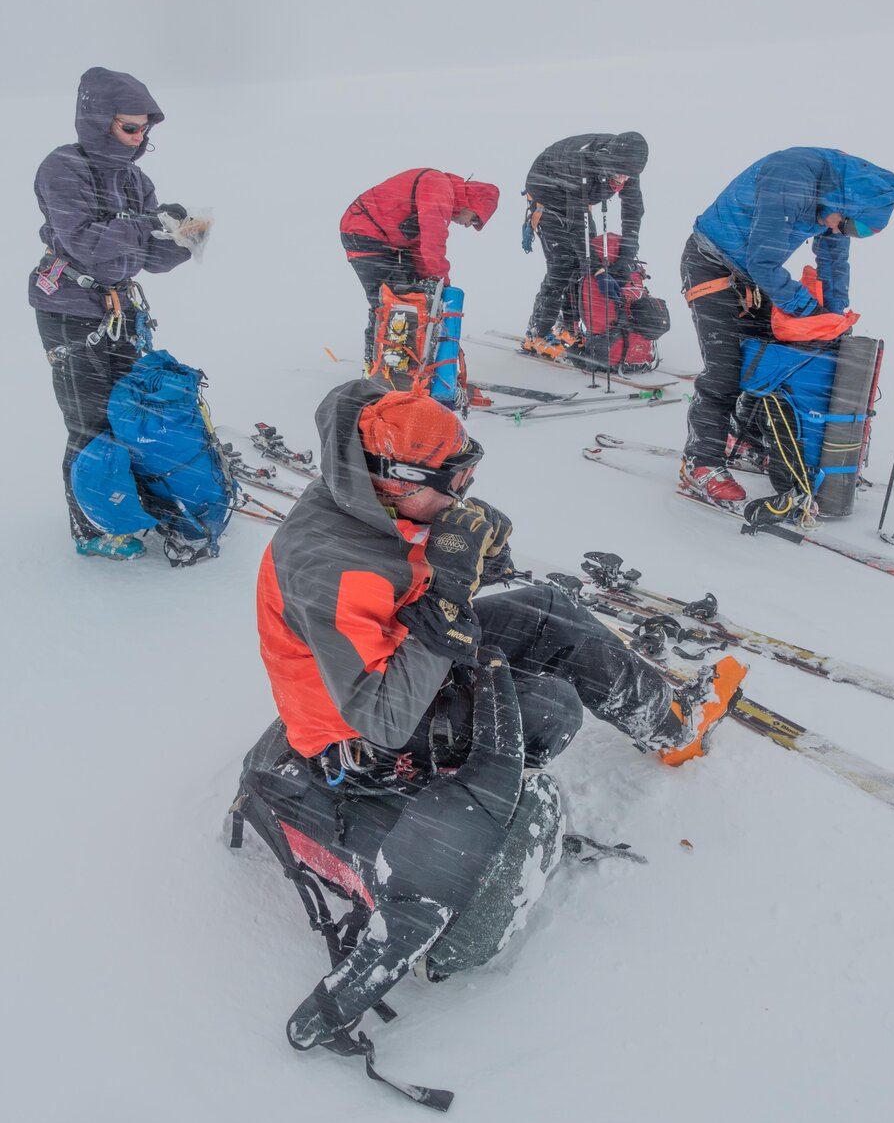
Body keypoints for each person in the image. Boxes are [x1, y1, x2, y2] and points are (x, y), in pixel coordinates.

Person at [239, 381, 745, 1051]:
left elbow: (409, 573)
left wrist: (465, 554)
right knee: (548, 710)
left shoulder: (365, 495)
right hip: (365, 733)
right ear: (396, 481)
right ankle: (466, 814)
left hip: (401, 658)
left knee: (546, 611)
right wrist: (449, 595)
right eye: (452, 484)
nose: (462, 495)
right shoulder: (333, 568)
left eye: (468, 476)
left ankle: (672, 723)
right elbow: (384, 718)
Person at [30, 66, 208, 559]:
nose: (138, 137)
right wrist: (146, 225)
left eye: (144, 130)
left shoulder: (134, 179)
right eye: (130, 127)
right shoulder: (63, 168)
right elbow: (84, 243)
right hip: (68, 309)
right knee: (88, 423)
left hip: (120, 309)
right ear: (98, 119)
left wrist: (181, 238)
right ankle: (93, 529)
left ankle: (128, 507)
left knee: (128, 415)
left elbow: (149, 259)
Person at [679, 147, 894, 505]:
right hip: (712, 263)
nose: (839, 230)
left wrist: (832, 319)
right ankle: (701, 462)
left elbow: (833, 261)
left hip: (753, 276)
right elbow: (763, 260)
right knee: (725, 370)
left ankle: (747, 442)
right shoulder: (791, 178)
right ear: (847, 205)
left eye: (854, 231)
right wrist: (806, 308)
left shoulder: (836, 199)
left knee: (769, 364)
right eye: (848, 225)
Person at [340, 168, 499, 366]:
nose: (469, 225)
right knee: (391, 300)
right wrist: (441, 283)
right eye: (474, 219)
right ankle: (377, 366)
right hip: (364, 233)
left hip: (385, 239)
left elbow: (419, 245)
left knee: (410, 296)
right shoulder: (439, 187)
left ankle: (402, 363)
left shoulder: (440, 192)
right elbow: (433, 242)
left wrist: (430, 280)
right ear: (472, 202)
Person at [521, 131, 649, 358]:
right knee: (562, 266)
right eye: (618, 174)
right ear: (610, 162)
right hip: (549, 196)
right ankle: (537, 333)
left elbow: (633, 211)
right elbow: (576, 223)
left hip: (578, 201)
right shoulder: (581, 163)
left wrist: (626, 257)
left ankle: (568, 328)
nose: (622, 180)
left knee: (583, 266)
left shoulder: (628, 163)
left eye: (627, 176)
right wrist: (598, 269)